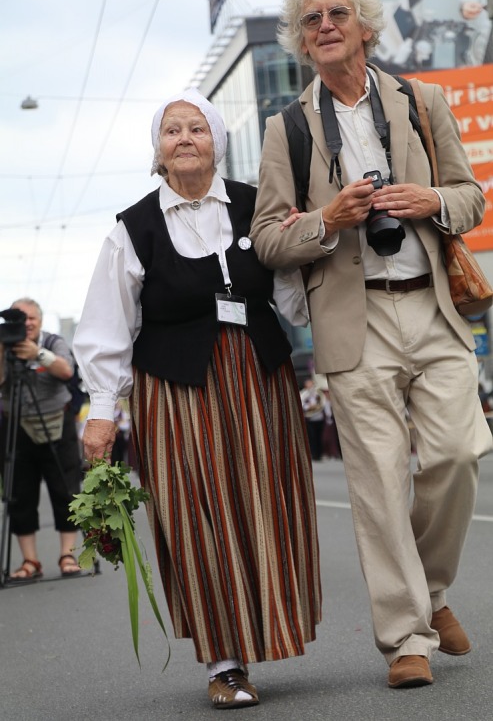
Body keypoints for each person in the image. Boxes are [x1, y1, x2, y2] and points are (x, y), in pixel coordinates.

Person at [250, 0, 492, 690]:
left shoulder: (422, 102)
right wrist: (329, 218)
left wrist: (428, 201)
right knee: (378, 485)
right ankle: (403, 637)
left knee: (455, 455)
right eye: (310, 19)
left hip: (431, 306)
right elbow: (268, 239)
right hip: (351, 322)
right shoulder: (284, 129)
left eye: (337, 14)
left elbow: (470, 197)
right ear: (300, 40)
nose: (324, 25)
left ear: (365, 28)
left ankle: (433, 590)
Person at [72, 88, 321, 710]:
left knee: (268, 503)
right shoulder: (132, 229)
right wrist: (103, 413)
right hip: (176, 389)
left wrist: (308, 240)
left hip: (260, 379)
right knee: (195, 517)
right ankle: (224, 662)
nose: (184, 138)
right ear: (157, 151)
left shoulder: (256, 205)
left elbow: (292, 301)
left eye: (196, 129)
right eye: (171, 131)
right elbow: (107, 328)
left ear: (217, 141)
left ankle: (273, 627)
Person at [0, 298, 82, 579]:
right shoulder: (4, 345)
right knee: (19, 495)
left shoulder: (53, 341)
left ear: (40, 320)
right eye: (19, 319)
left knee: (66, 490)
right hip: (16, 427)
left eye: (31, 318)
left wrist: (36, 353)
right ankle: (30, 562)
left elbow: (66, 371)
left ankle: (67, 556)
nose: (26, 324)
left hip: (57, 424)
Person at [301, 377, 325, 460]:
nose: (310, 385)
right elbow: (302, 403)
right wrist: (309, 407)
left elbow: (322, 402)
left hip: (319, 417)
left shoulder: (317, 393)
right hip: (310, 418)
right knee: (312, 437)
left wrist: (316, 406)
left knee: (319, 437)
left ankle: (319, 454)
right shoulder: (304, 393)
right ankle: (314, 454)